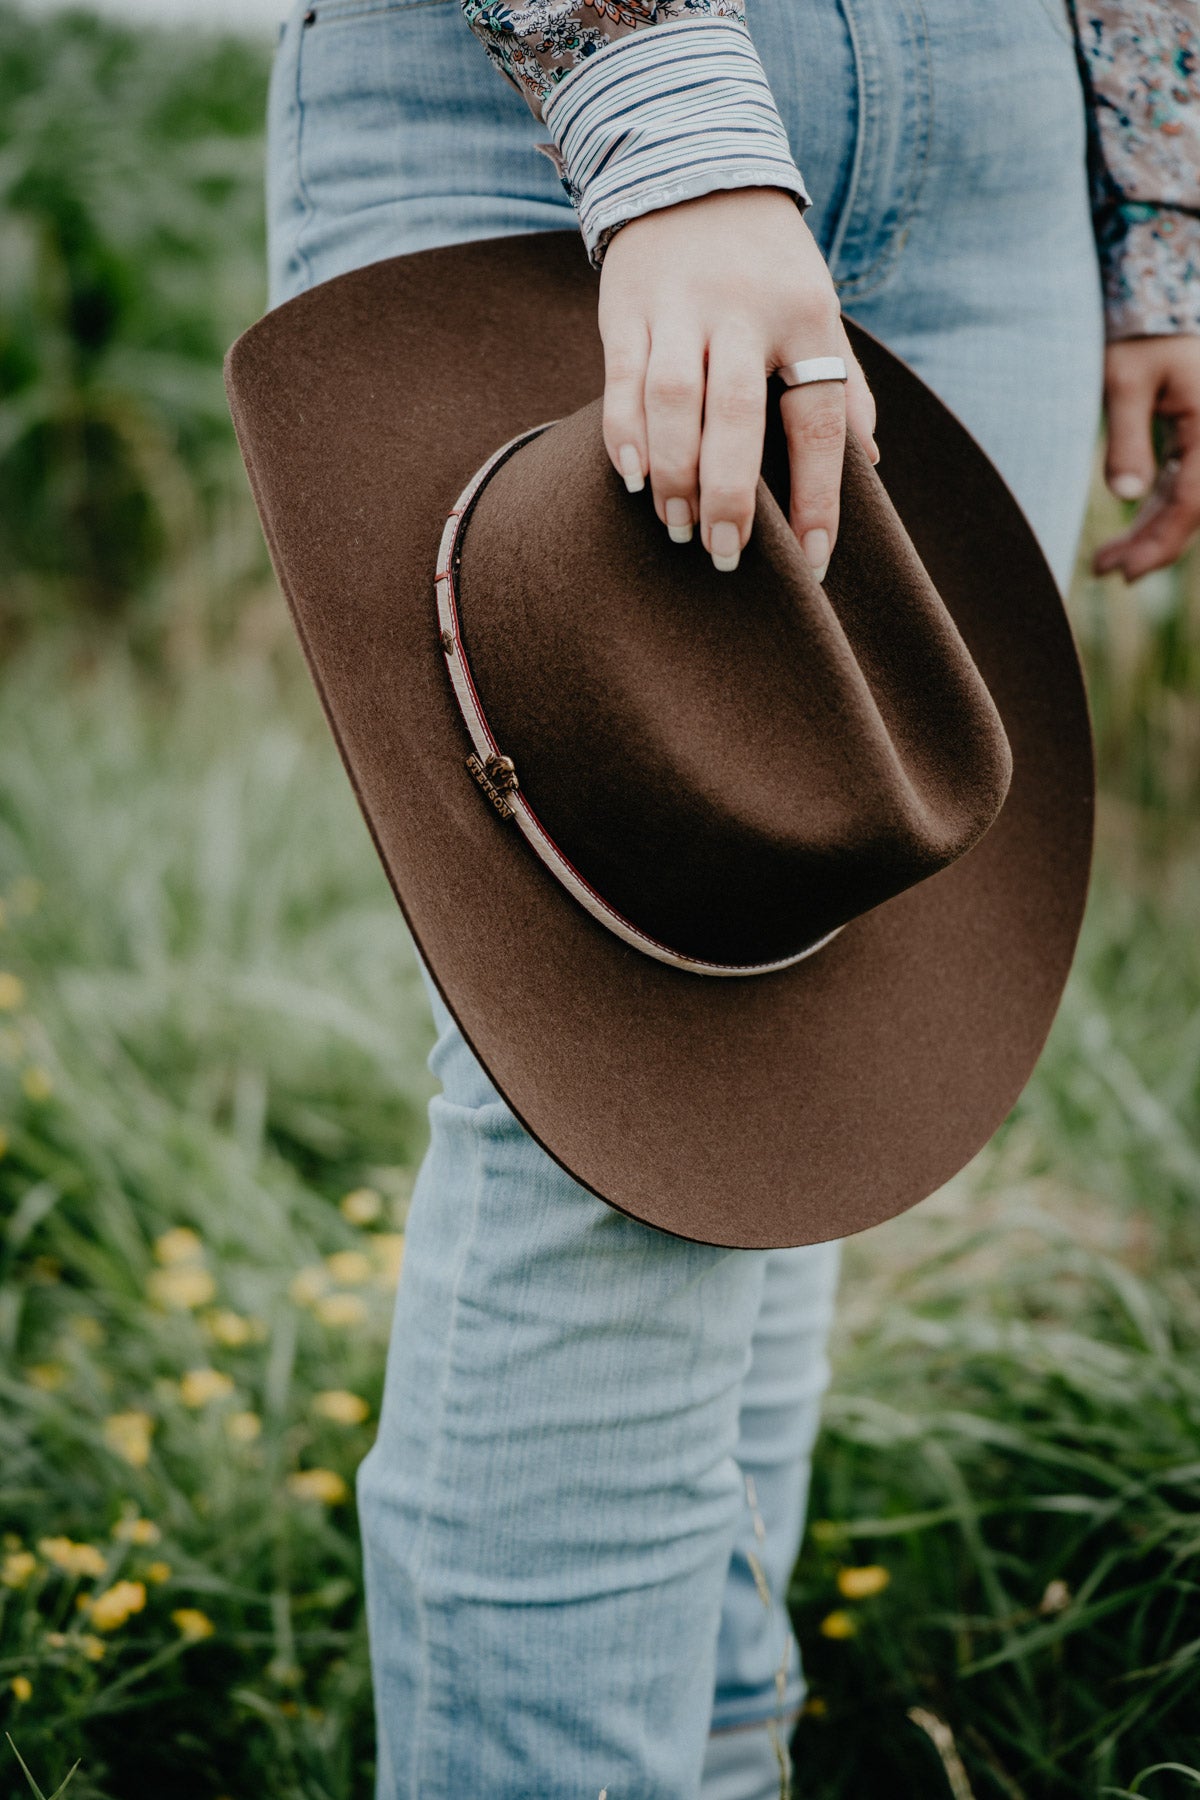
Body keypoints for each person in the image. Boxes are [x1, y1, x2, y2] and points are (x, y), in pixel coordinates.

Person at [264, 3, 1200, 1793]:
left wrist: (1160, 209)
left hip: (1009, 130)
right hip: (543, 91)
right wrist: (663, 117)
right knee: (620, 1139)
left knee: (789, 1090)